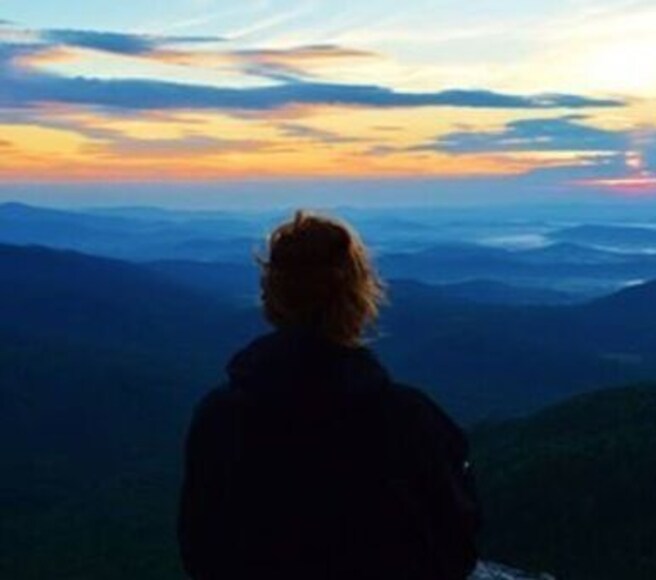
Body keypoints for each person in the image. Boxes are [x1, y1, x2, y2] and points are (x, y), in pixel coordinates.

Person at [178, 210, 480, 580]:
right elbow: (455, 543)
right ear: (359, 295)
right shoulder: (409, 420)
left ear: (270, 293)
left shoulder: (219, 417)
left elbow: (200, 548)